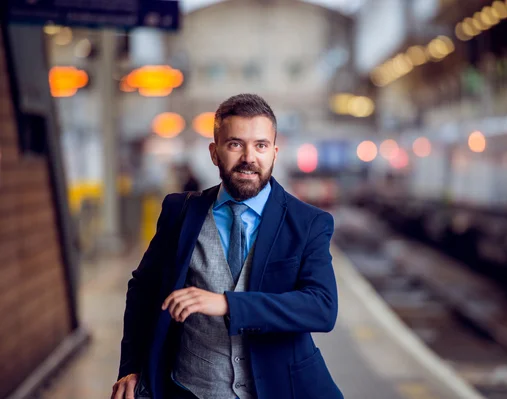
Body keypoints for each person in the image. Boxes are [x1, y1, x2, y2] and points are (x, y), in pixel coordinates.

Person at [112, 94, 343, 399]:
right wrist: (131, 366)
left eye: (260, 145)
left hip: (279, 389)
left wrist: (227, 304)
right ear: (214, 152)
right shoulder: (180, 212)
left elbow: (322, 308)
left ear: (274, 152)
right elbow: (142, 290)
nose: (249, 157)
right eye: (235, 144)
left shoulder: (309, 223)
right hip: (190, 389)